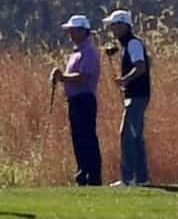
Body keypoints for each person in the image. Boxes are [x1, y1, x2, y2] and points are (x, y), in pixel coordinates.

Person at [50, 15, 102, 186]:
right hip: (75, 100)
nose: (70, 34)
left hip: (85, 99)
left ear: (82, 31)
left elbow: (84, 76)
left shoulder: (89, 51)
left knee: (86, 137)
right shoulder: (78, 52)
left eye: (73, 30)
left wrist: (63, 78)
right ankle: (82, 172)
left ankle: (92, 175)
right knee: (78, 137)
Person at [103, 10, 151, 187]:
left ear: (124, 25)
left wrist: (124, 80)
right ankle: (142, 178)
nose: (112, 29)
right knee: (136, 136)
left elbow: (141, 67)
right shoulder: (128, 44)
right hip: (137, 95)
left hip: (137, 96)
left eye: (114, 25)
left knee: (127, 135)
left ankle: (128, 178)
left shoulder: (133, 43)